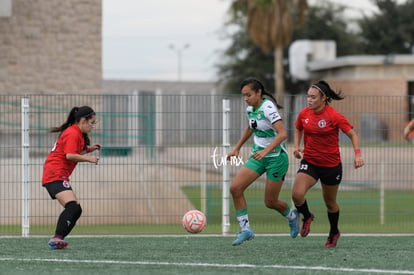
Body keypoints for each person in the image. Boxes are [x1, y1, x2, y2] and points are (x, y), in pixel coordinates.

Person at [227, 77, 299, 246]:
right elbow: (250, 127)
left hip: (276, 159)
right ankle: (246, 230)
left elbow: (283, 134)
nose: (246, 98)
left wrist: (266, 150)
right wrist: (237, 148)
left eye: (248, 95)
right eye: (243, 95)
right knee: (235, 188)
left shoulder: (268, 108)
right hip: (258, 156)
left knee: (270, 202)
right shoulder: (250, 108)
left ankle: (292, 216)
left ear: (258, 93)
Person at [292, 80, 364, 248]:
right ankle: (307, 216)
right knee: (296, 194)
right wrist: (296, 147)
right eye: (308, 97)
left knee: (330, 203)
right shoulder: (304, 114)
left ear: (323, 98)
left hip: (331, 166)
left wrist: (358, 155)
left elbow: (353, 135)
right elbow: (298, 128)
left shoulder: (334, 116)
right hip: (310, 162)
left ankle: (333, 232)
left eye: (313, 97)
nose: (309, 100)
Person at [42, 106, 101, 249]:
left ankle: (58, 240)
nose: (93, 126)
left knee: (75, 209)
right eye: (92, 122)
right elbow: (69, 155)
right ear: (82, 120)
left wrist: (88, 149)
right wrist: (89, 159)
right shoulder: (73, 133)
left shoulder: (77, 133)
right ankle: (57, 238)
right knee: (73, 207)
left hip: (57, 174)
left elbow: (72, 150)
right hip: (54, 174)